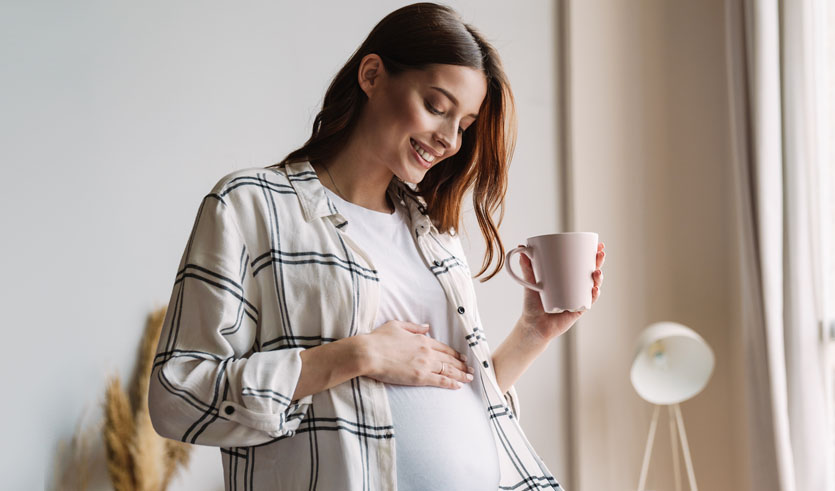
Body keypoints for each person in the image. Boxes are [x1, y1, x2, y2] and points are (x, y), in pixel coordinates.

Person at [147, 3, 605, 490]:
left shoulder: (434, 235)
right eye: (436, 107)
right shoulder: (251, 206)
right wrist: (357, 356)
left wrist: (534, 332)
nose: (449, 139)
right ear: (372, 75)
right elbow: (177, 396)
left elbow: (463, 397)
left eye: (464, 125)